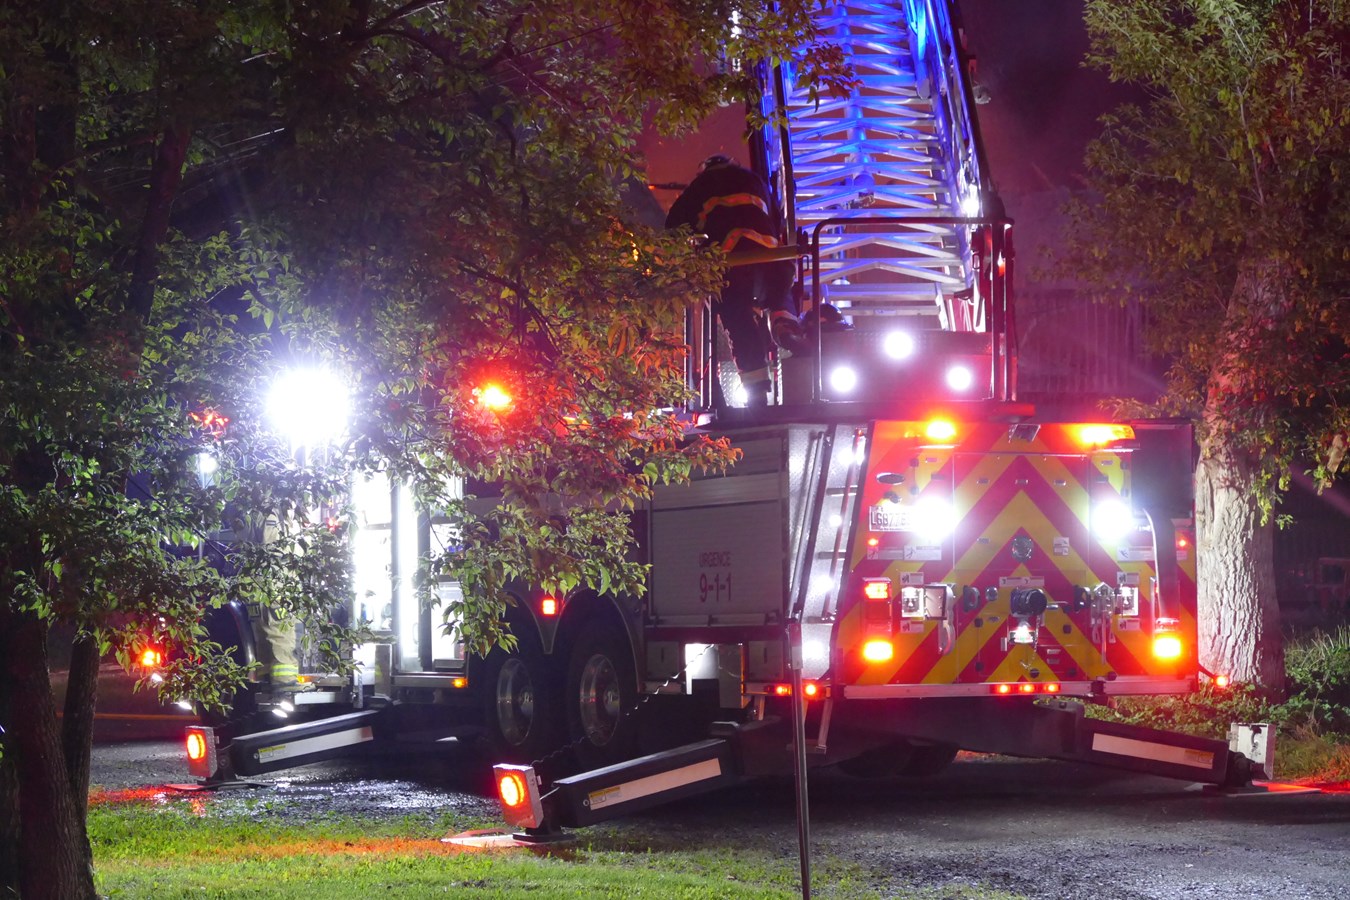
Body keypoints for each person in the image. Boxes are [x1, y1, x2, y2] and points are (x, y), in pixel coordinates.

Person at [665, 155, 798, 406]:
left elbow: (673, 228)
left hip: (731, 263)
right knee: (780, 294)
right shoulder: (754, 180)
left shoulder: (700, 186)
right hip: (771, 257)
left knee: (738, 321)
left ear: (704, 170)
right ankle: (786, 326)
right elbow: (776, 217)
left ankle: (757, 394)